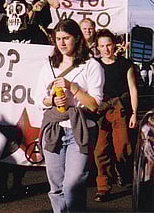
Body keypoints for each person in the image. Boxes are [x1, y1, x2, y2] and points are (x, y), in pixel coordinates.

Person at [35, 19, 104, 212]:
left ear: (77, 38)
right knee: (56, 187)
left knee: (72, 186)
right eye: (58, 39)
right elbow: (38, 98)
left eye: (66, 38)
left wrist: (72, 87)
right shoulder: (49, 65)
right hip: (54, 129)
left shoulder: (91, 65)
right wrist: (52, 101)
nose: (62, 43)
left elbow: (94, 105)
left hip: (80, 130)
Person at [93, 28, 139, 202]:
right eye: (102, 46)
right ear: (97, 47)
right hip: (101, 111)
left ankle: (122, 170)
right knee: (100, 150)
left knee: (122, 149)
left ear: (115, 45)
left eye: (109, 45)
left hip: (120, 109)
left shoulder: (125, 64)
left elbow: (133, 89)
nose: (106, 49)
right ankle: (103, 186)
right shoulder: (94, 64)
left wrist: (134, 113)